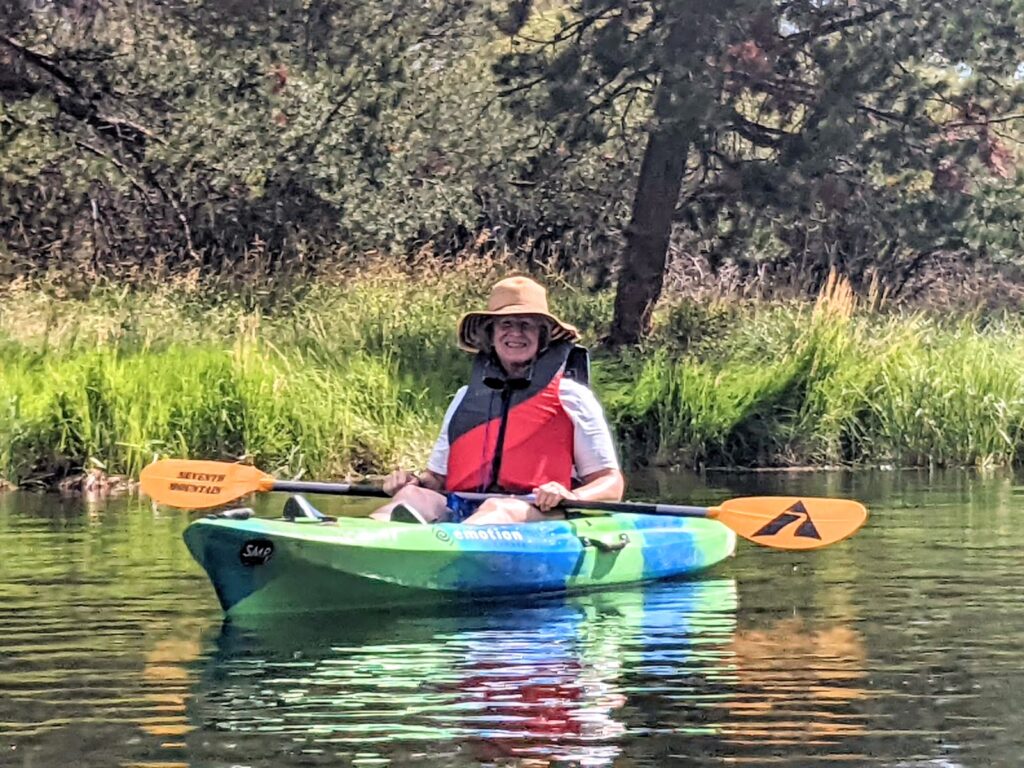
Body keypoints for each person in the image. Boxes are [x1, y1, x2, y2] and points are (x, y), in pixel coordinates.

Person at [370, 274, 624, 526]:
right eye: (506, 324)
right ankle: (359, 536)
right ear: (490, 335)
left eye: (526, 324)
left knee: (498, 509)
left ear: (543, 336)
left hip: (538, 514)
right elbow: (436, 480)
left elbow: (611, 484)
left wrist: (571, 495)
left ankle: (447, 550)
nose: (515, 333)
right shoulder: (464, 398)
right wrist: (410, 481)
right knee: (411, 497)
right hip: (465, 508)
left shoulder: (573, 397)